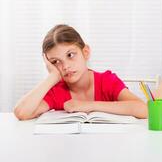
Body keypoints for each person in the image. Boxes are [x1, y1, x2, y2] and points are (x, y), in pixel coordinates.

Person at [14, 24, 147, 120]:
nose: (65, 66)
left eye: (70, 55)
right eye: (55, 62)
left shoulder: (106, 81)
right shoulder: (57, 91)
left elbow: (144, 110)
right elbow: (21, 112)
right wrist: (52, 77)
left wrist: (88, 106)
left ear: (85, 52)